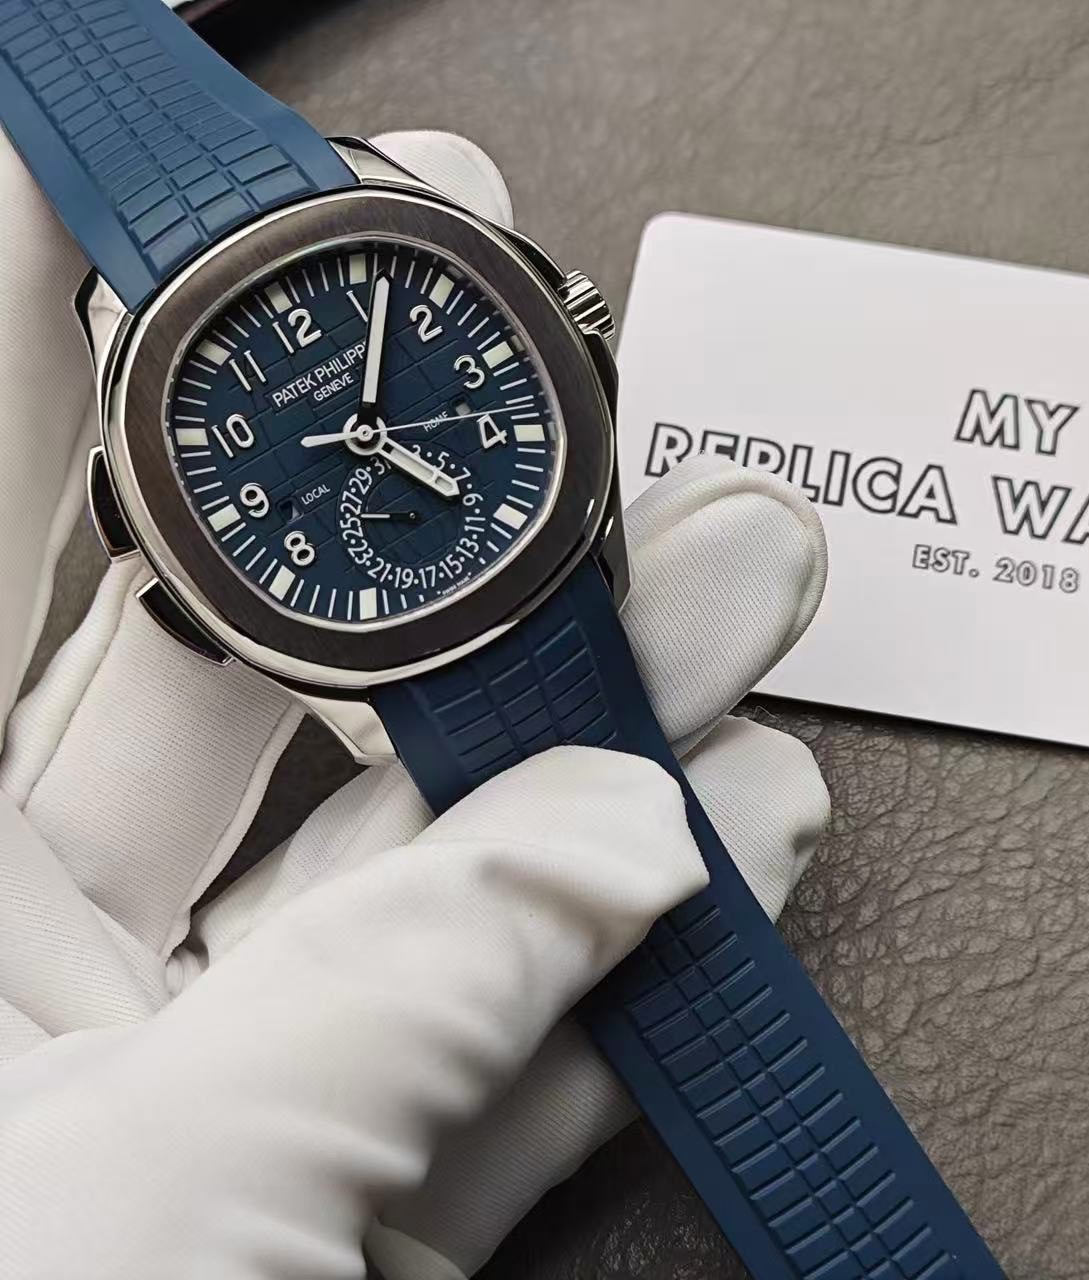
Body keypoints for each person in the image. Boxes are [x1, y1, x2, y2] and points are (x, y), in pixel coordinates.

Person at [0, 129, 831, 1279]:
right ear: (123, 507)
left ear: (569, 318)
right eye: (347, 438)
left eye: (370, 427)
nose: (361, 437)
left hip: (523, 565)